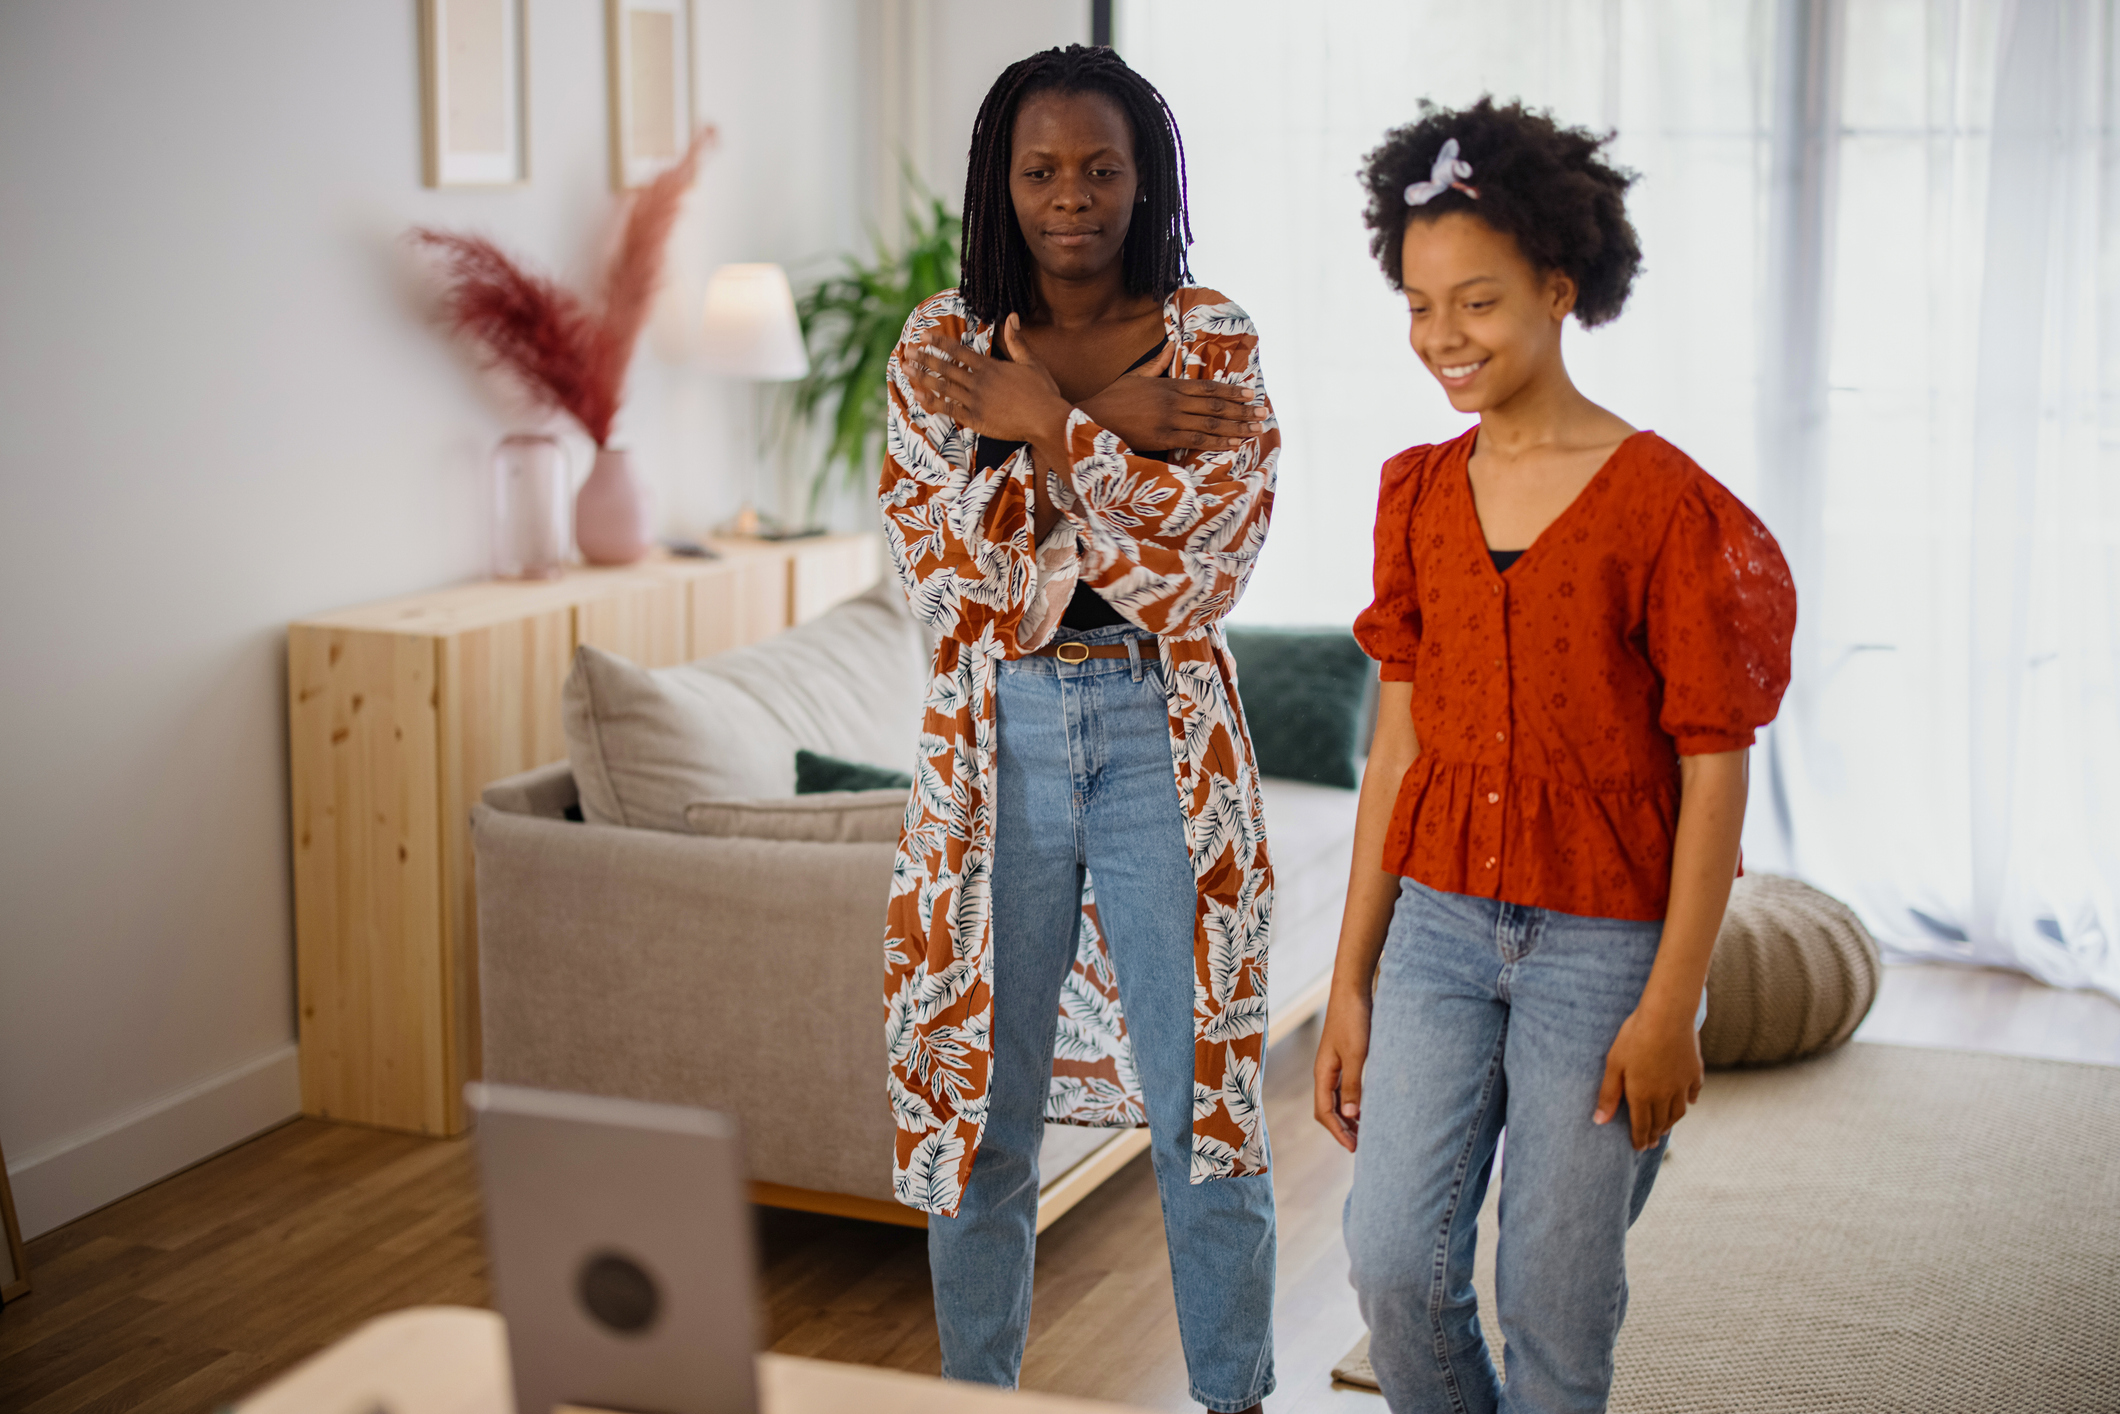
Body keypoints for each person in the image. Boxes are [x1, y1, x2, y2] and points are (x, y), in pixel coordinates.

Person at [1315, 98, 1797, 1414]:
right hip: (1437, 932)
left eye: (1475, 302)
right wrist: (1349, 978)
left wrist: (1671, 1003)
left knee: (1553, 1305)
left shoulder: (1669, 507)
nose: (1442, 338)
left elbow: (1714, 764)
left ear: (1558, 289)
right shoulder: (1414, 492)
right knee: (1396, 1264)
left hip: (1607, 948)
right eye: (1419, 306)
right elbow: (1395, 749)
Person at [878, 44, 1281, 1414]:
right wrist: (1119, 432)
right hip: (993, 747)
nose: (1071, 198)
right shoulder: (938, 347)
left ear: (1145, 176)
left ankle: (1236, 1399)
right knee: (982, 1112)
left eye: (1101, 168)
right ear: (1003, 180)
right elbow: (961, 580)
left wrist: (1046, 425)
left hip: (1170, 737)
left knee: (1206, 1109)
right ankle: (970, 1397)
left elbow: (1203, 570)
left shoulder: (1214, 336)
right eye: (1041, 169)